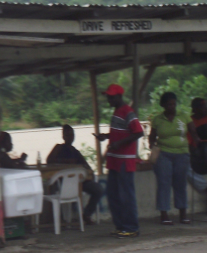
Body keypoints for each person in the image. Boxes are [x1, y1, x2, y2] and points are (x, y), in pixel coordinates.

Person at [94, 84, 143, 238]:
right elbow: (122, 132)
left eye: (111, 97)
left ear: (119, 97)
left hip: (124, 161)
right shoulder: (117, 112)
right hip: (114, 160)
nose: (108, 99)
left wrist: (118, 144)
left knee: (126, 195)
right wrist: (107, 137)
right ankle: (121, 226)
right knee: (113, 194)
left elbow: (138, 132)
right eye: (108, 96)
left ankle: (131, 227)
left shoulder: (128, 112)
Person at [148, 92, 197, 226]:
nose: (172, 107)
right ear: (163, 105)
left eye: (173, 104)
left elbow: (193, 132)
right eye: (169, 104)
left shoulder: (184, 116)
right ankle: (164, 215)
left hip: (182, 153)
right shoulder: (158, 119)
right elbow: (152, 135)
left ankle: (183, 214)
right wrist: (152, 145)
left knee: (180, 184)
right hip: (164, 154)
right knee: (164, 183)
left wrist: (196, 145)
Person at [47, 124, 106, 224]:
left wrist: (86, 173)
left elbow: (87, 167)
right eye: (67, 135)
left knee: (99, 189)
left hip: (79, 183)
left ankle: (86, 214)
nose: (70, 137)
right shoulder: (58, 148)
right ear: (63, 136)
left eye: (72, 135)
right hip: (62, 183)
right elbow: (49, 161)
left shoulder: (75, 151)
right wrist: (66, 162)